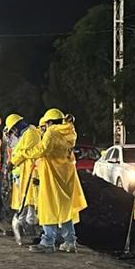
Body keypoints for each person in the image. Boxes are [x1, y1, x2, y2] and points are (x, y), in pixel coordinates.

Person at [20, 108, 88, 253]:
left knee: (48, 207)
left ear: (49, 122)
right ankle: (70, 241)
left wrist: (24, 153)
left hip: (52, 175)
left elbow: (42, 150)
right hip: (66, 176)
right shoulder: (70, 131)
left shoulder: (52, 132)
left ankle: (48, 241)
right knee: (64, 210)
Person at [7, 115, 42, 245]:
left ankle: (35, 231)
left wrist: (12, 162)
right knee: (26, 201)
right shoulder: (26, 134)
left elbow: (22, 152)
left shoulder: (30, 134)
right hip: (26, 171)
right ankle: (26, 226)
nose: (14, 132)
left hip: (32, 171)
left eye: (13, 129)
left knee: (31, 201)